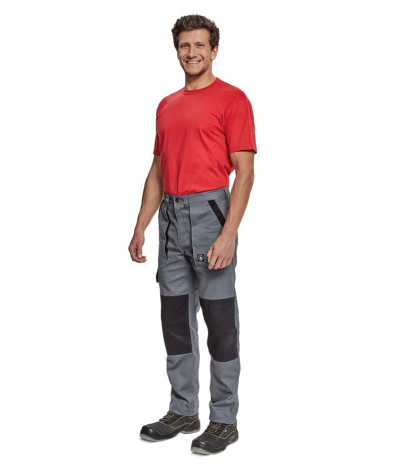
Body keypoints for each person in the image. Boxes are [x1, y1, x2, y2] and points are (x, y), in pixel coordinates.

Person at [128, 14, 257, 455]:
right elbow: (158, 170)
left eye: (200, 45)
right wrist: (141, 225)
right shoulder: (166, 105)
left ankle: (224, 419)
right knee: (175, 322)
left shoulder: (233, 99)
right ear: (177, 51)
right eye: (185, 45)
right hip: (170, 220)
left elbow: (245, 172)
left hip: (210, 215)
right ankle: (184, 410)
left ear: (214, 50)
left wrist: (228, 232)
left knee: (220, 323)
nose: (192, 52)